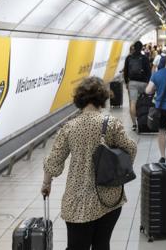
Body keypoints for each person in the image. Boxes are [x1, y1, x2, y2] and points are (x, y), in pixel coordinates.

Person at [41, 77, 137, 250]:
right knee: (102, 244)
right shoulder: (111, 124)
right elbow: (131, 149)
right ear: (102, 98)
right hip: (109, 198)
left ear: (80, 99)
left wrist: (46, 184)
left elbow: (53, 162)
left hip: (79, 201)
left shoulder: (69, 127)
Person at [124, 41, 152, 131]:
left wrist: (126, 82)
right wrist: (148, 82)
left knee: (132, 103)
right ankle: (143, 121)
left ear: (134, 48)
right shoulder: (145, 58)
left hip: (132, 83)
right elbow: (149, 72)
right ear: (141, 48)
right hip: (144, 83)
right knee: (144, 101)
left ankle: (134, 124)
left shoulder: (129, 58)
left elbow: (125, 71)